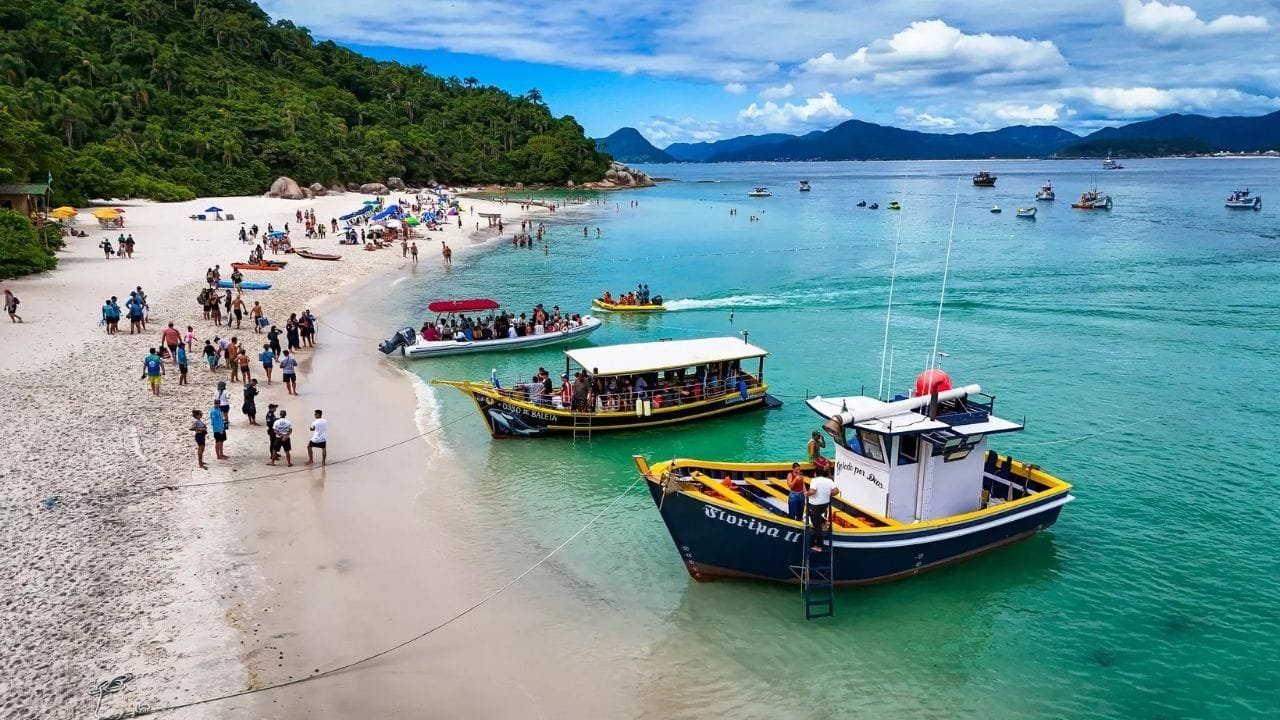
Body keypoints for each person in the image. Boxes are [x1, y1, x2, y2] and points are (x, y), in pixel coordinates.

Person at [806, 473, 840, 552]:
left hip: (815, 506)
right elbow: (836, 491)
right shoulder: (829, 481)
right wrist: (828, 494)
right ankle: (825, 521)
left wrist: (806, 494)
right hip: (824, 506)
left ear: (815, 473)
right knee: (811, 513)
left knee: (817, 527)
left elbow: (812, 491)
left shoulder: (814, 480)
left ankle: (819, 546)